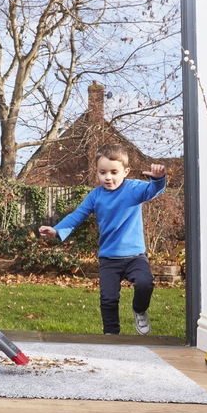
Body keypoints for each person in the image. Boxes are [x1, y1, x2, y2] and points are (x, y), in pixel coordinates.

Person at [39, 143, 166, 335]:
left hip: (135, 256)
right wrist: (56, 230)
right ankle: (111, 334)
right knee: (108, 298)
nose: (108, 177)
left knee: (145, 283)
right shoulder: (95, 196)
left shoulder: (133, 188)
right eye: (103, 172)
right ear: (97, 172)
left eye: (114, 172)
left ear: (125, 172)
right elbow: (78, 215)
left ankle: (139, 310)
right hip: (109, 259)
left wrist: (158, 179)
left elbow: (152, 191)